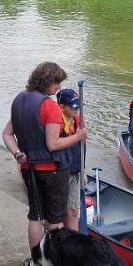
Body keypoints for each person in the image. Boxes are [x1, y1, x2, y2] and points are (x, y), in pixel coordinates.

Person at [2, 62, 87, 266]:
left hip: (29, 169)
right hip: (53, 171)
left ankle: (36, 263)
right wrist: (78, 136)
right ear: (48, 81)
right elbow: (53, 144)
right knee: (55, 221)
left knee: (35, 216)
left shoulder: (19, 100)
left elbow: (7, 134)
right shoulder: (50, 106)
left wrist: (17, 153)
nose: (59, 87)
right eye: (57, 82)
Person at [56, 88, 84, 231]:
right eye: (73, 106)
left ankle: (74, 242)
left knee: (73, 211)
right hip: (60, 173)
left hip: (75, 172)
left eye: (78, 105)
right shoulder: (55, 123)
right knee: (56, 215)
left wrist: (83, 170)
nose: (77, 109)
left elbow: (82, 148)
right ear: (62, 107)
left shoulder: (78, 122)